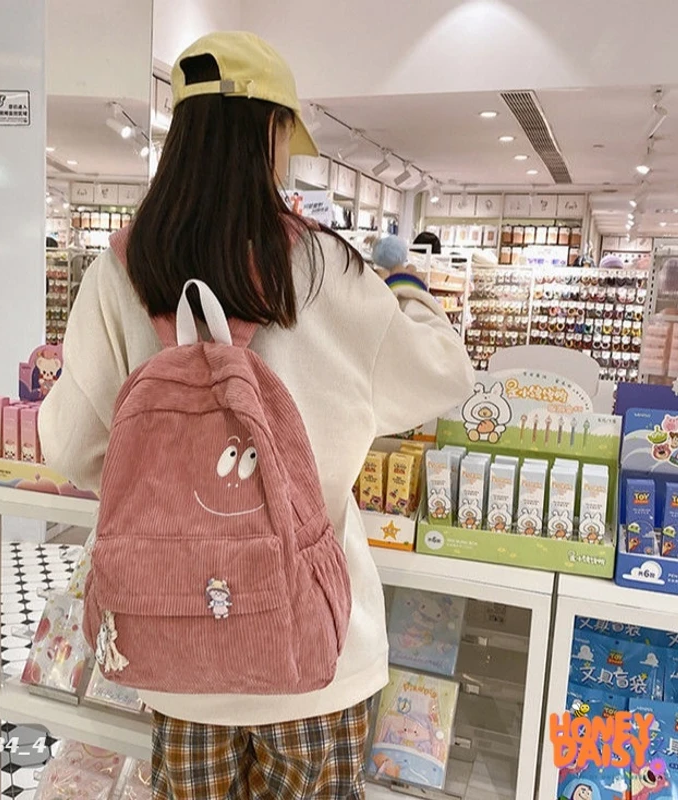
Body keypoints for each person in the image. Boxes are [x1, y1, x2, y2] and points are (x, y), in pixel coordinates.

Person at [39, 31, 473, 800]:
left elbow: (71, 447)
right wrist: (406, 287)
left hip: (178, 649)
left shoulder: (121, 270)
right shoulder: (328, 268)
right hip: (317, 655)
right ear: (273, 133)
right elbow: (441, 376)